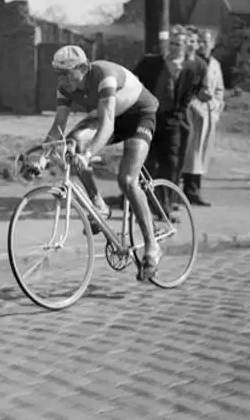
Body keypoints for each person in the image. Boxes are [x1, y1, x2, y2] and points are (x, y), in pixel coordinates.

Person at [41, 45, 161, 281]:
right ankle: (98, 204)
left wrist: (87, 154)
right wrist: (41, 157)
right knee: (72, 144)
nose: (62, 80)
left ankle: (152, 246)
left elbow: (107, 126)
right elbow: (58, 127)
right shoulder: (65, 87)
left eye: (66, 73)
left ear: (84, 68)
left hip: (139, 115)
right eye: (58, 74)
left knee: (127, 179)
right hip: (111, 115)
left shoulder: (104, 77)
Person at [134, 26, 207, 214]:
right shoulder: (151, 62)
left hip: (173, 121)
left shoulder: (191, 68)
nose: (175, 47)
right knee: (147, 161)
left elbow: (192, 93)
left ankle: (164, 205)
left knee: (171, 163)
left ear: (186, 46)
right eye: (172, 43)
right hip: (149, 118)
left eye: (179, 44)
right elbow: (134, 79)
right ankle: (142, 202)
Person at [181, 29, 225, 206]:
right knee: (188, 153)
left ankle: (194, 190)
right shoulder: (192, 61)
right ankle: (184, 190)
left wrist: (215, 107)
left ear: (212, 45)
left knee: (201, 154)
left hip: (208, 114)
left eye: (205, 42)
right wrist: (194, 102)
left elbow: (219, 90)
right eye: (199, 41)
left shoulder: (214, 64)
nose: (201, 45)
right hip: (192, 111)